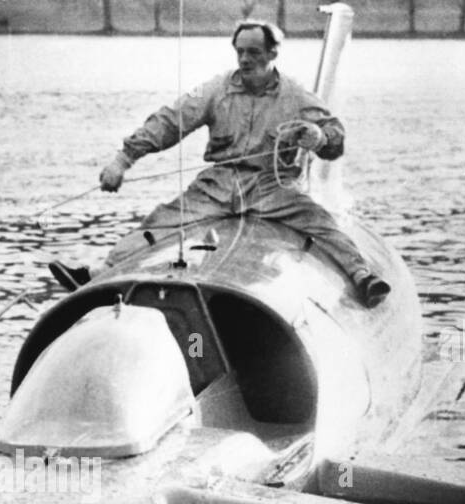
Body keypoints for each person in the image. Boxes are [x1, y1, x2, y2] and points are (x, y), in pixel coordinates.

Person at [50, 21, 391, 308]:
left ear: (272, 54)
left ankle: (362, 276)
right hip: (218, 184)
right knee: (161, 222)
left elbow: (335, 137)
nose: (245, 60)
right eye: (240, 52)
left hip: (271, 188)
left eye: (253, 52)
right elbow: (171, 121)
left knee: (320, 225)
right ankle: (99, 275)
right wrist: (123, 160)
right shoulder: (216, 89)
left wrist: (318, 137)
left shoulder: (297, 97)